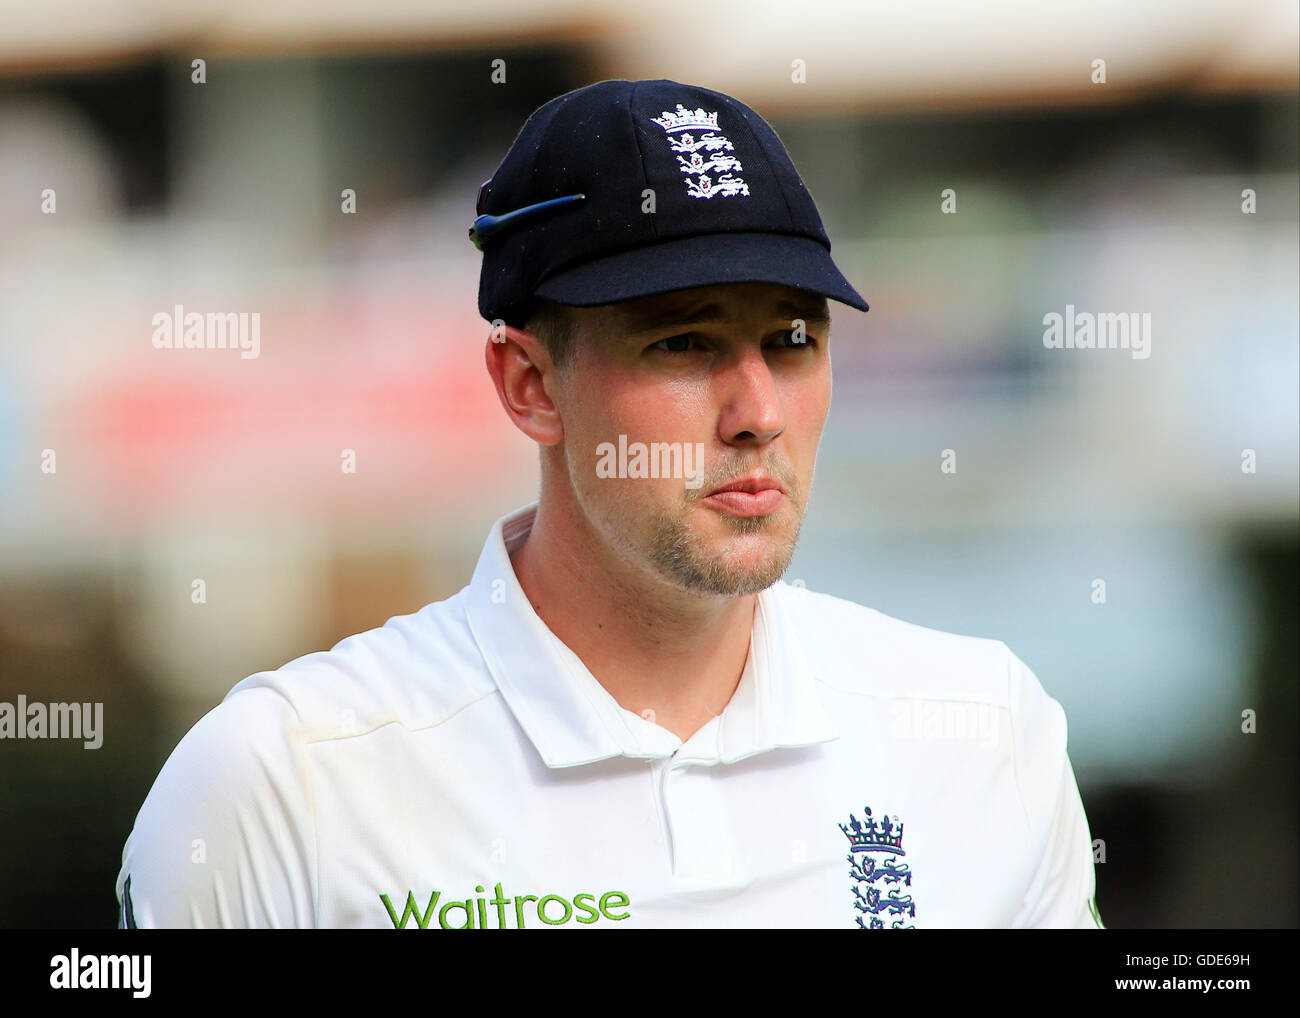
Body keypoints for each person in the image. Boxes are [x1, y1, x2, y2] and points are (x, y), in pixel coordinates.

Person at [116, 78, 1103, 929]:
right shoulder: (288, 777)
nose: (756, 411)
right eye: (682, 342)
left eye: (793, 340)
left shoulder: (985, 730)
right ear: (530, 386)